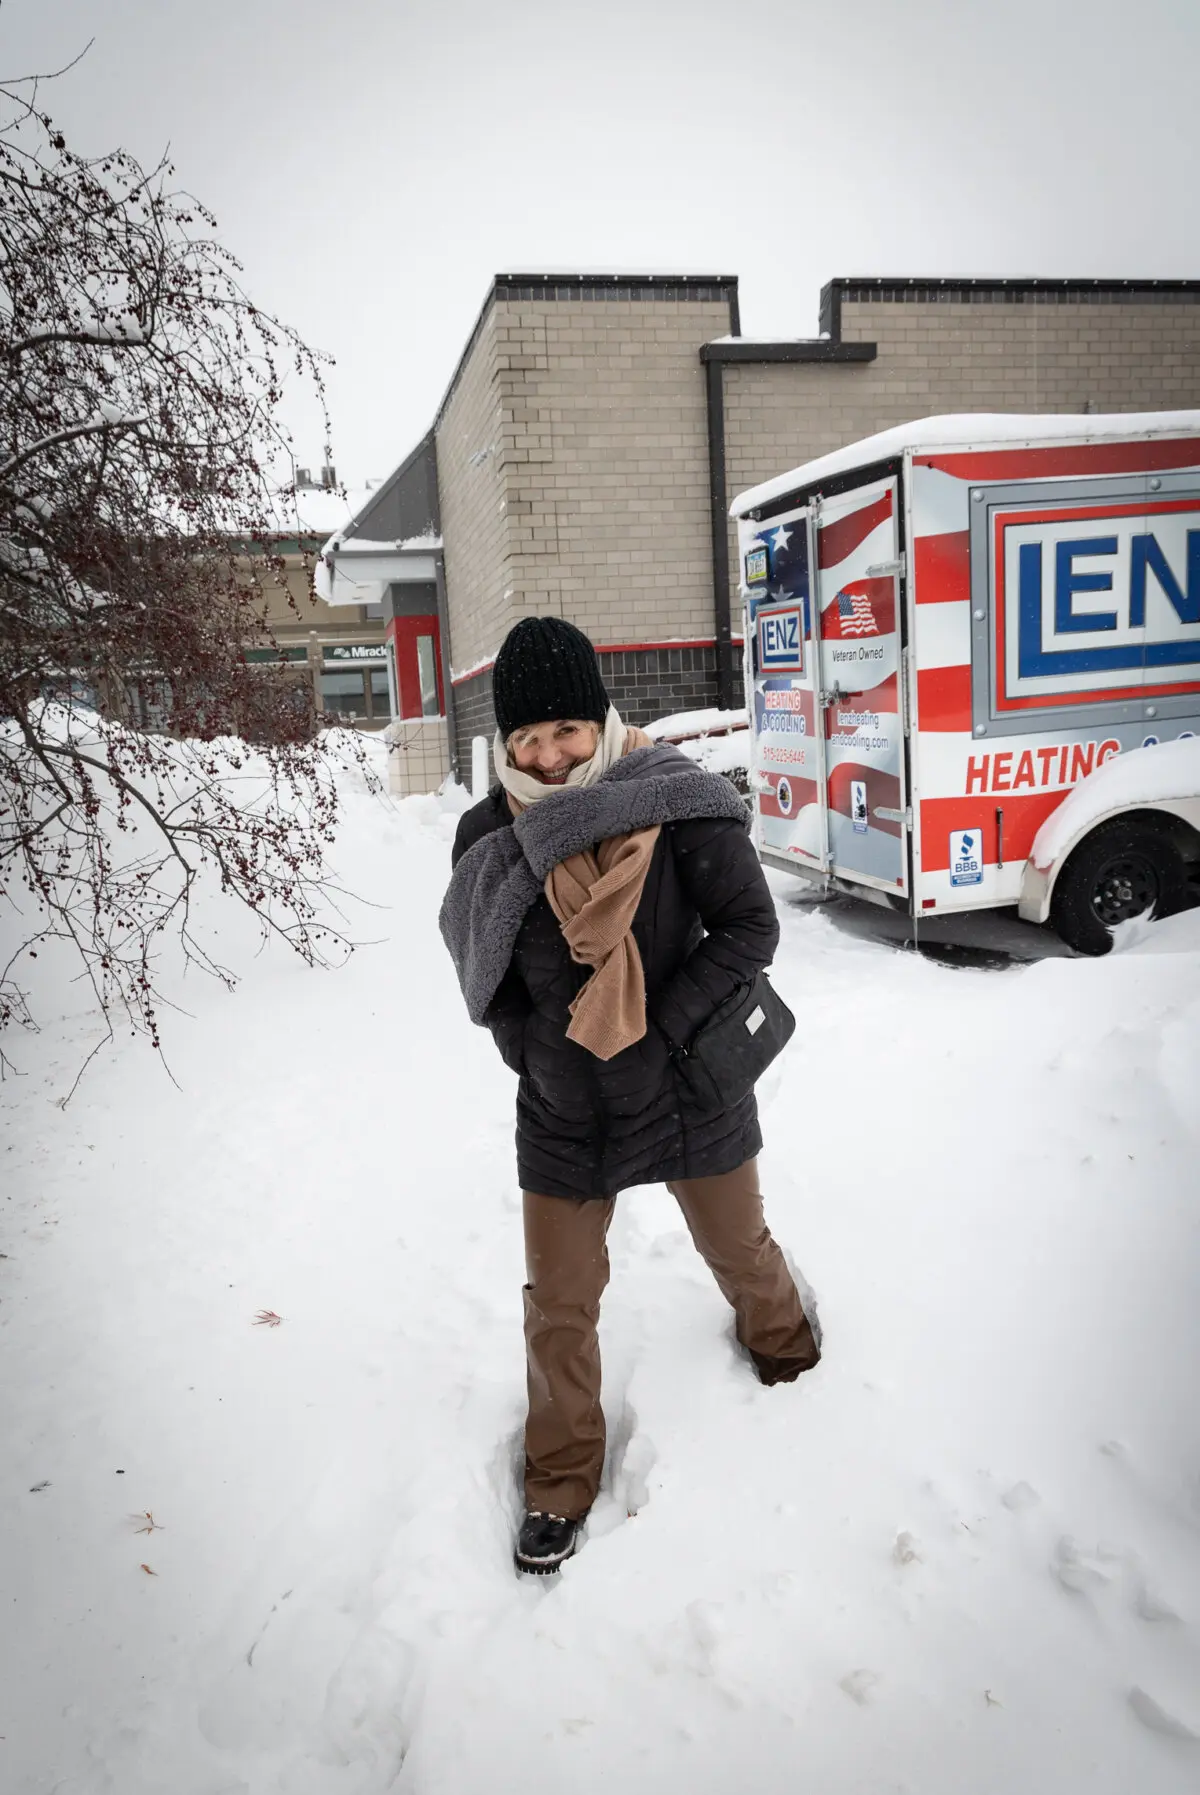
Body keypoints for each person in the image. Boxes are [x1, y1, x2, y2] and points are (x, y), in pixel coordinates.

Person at [440, 617, 819, 1574]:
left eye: (565, 730)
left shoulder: (674, 799)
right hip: (567, 1105)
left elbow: (747, 927)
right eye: (526, 739)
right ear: (505, 743)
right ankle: (561, 1477)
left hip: (686, 1080)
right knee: (559, 1302)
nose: (550, 757)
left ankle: (790, 1352)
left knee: (739, 1245)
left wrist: (664, 1030)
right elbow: (485, 973)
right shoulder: (489, 836)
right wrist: (537, 1051)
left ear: (600, 718)